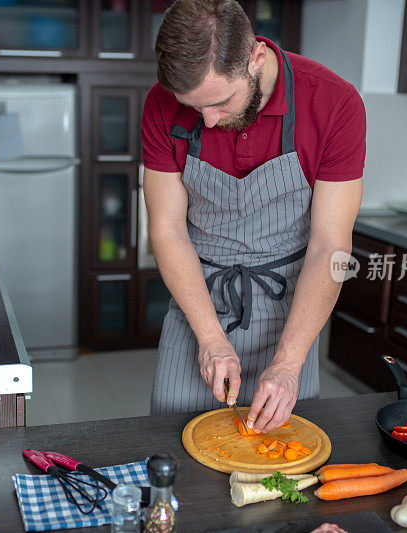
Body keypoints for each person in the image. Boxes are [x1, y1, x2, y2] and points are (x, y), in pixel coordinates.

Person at [142, 0, 365, 433]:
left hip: (292, 306)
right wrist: (208, 340)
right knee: (173, 452)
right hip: (197, 298)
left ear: (255, 58)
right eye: (193, 107)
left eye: (221, 102)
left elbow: (330, 248)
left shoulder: (334, 103)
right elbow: (168, 231)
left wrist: (288, 363)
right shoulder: (159, 104)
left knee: (283, 462)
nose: (206, 121)